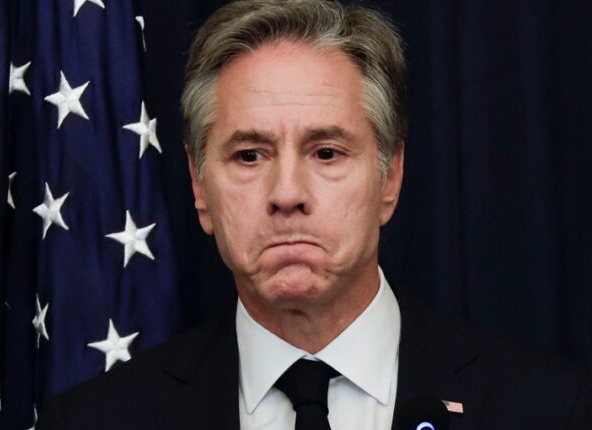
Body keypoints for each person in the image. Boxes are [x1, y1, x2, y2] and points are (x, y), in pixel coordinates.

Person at [37, 1, 591, 429]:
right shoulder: (94, 420)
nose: (286, 194)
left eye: (326, 152)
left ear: (390, 178)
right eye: (249, 155)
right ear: (200, 187)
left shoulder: (551, 409)